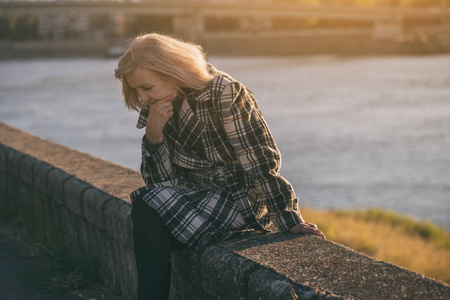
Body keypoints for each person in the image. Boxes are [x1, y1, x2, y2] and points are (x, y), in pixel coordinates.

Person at [114, 33, 325, 300]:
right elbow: (160, 186)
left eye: (147, 87)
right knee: (146, 208)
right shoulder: (158, 105)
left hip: (239, 199)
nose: (142, 98)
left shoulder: (224, 92)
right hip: (195, 199)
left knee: (146, 209)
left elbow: (258, 160)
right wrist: (154, 136)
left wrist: (288, 218)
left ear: (173, 71)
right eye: (137, 90)